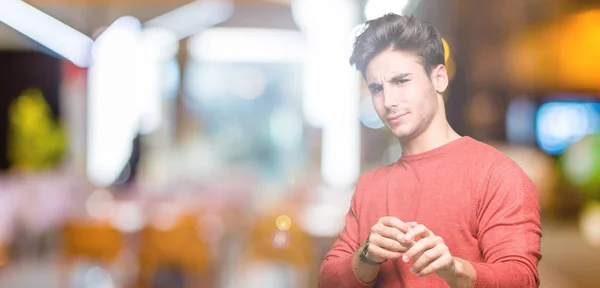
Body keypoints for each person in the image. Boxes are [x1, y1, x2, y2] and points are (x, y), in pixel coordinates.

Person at [318, 14, 542, 287]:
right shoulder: (369, 187)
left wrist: (454, 269)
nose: (388, 101)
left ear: (439, 78)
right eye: (377, 88)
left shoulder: (498, 175)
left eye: (401, 81)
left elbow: (522, 279)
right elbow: (328, 279)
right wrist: (367, 255)